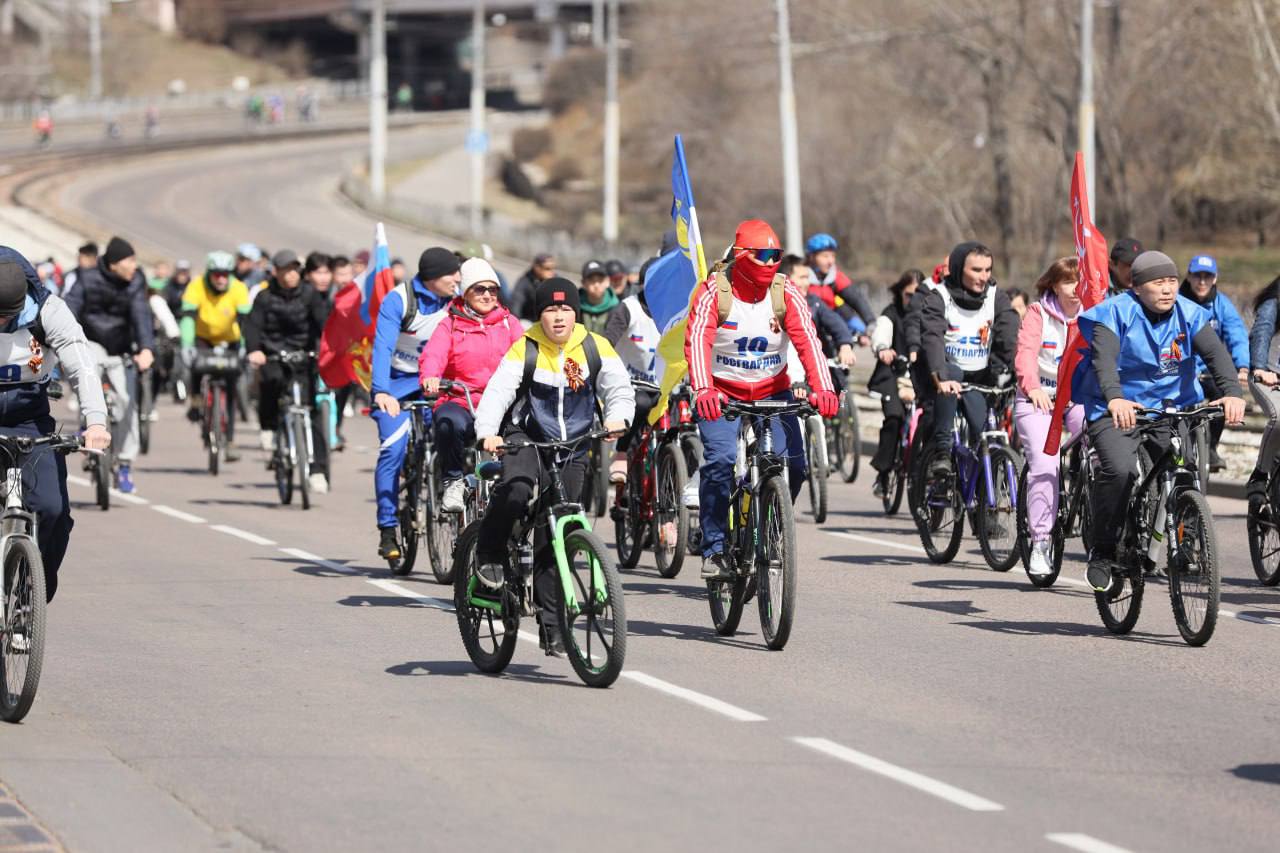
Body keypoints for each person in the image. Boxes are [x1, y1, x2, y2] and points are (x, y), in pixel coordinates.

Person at [473, 277, 634, 655]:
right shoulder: (525, 347)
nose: (558, 317)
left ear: (575, 313)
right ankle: (489, 557)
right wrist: (487, 432)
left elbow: (619, 389)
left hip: (574, 446)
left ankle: (553, 626)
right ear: (540, 314)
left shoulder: (596, 346)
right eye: (550, 309)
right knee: (516, 491)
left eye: (565, 309)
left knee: (556, 532)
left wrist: (617, 418)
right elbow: (498, 392)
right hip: (527, 438)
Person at [1072, 251, 1245, 593]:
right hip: (1116, 407)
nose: (1167, 289)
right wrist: (1115, 397)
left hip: (1170, 407)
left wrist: (1231, 392)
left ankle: (1187, 542)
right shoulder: (1115, 313)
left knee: (1182, 471)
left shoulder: (1190, 313)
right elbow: (1103, 361)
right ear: (1136, 287)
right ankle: (1103, 549)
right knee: (1121, 471)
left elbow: (1216, 355)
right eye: (1156, 282)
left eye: (1170, 281)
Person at [685, 220, 840, 579]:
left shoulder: (786, 294)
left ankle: (771, 520)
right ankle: (715, 546)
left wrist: (824, 388)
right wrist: (703, 388)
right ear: (741, 255)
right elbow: (696, 341)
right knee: (721, 461)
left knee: (797, 467)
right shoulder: (714, 292)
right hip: (721, 394)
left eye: (776, 256)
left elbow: (809, 343)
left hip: (774, 391)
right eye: (763, 255)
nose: (771, 263)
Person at [0, 248, 111, 605]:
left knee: (53, 511)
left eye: (5, 317)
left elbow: (82, 366)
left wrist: (95, 421)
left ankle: (29, 598)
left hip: (30, 419)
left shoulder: (49, 311)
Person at [370, 247, 460, 560]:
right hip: (395, 385)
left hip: (437, 383)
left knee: (459, 437)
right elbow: (381, 347)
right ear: (433, 276)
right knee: (393, 448)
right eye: (452, 273)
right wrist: (381, 391)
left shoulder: (457, 300)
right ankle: (388, 528)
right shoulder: (400, 299)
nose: (458, 279)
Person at [419, 258, 523, 512]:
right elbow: (433, 355)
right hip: (462, 400)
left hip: (503, 402)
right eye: (480, 289)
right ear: (465, 292)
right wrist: (431, 377)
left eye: (493, 289)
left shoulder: (510, 323)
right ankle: (453, 481)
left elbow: (528, 355)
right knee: (447, 423)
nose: (487, 295)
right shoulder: (450, 324)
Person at [917, 241, 1019, 471]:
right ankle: (942, 452)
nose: (983, 277)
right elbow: (932, 337)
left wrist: (1021, 371)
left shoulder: (996, 297)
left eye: (987, 270)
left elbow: (1008, 336)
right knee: (951, 371)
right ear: (957, 268)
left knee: (981, 433)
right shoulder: (939, 296)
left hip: (979, 380)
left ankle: (978, 494)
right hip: (945, 375)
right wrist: (939, 376)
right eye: (976, 270)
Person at [64, 236, 155, 494]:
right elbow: (70, 308)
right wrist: (65, 343)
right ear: (114, 263)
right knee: (90, 371)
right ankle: (88, 423)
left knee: (127, 401)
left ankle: (125, 464)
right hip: (91, 341)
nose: (135, 265)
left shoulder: (136, 281)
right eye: (130, 260)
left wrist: (146, 348)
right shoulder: (87, 278)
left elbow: (141, 314)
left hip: (122, 347)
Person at [1013, 258, 1084, 576]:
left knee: (1106, 449)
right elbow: (1026, 355)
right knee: (1046, 465)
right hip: (1039, 400)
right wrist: (1033, 388)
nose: (1076, 289)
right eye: (1069, 282)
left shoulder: (1094, 314)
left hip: (1077, 399)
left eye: (1080, 281)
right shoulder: (1037, 314)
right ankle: (1040, 541)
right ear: (1054, 285)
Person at [243, 250, 331, 492]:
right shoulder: (264, 297)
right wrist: (254, 350)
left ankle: (317, 470)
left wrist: (327, 348)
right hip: (273, 354)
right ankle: (269, 430)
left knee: (311, 411)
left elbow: (323, 323)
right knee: (270, 384)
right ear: (276, 271)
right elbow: (252, 326)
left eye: (294, 269)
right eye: (286, 269)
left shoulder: (310, 294)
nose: (291, 274)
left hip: (303, 356)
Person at [1179, 254, 1249, 471]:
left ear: (1215, 279)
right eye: (1197, 276)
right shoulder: (1176, 302)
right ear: (1188, 277)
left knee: (1222, 398)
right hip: (1183, 369)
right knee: (1181, 408)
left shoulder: (1222, 305)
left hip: (1209, 370)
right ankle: (1182, 450)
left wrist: (1243, 367)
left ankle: (1211, 448)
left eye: (1207, 277)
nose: (1202, 282)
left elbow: (1236, 335)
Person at [181, 251, 252, 459]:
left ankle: (229, 440)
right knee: (196, 366)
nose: (221, 279)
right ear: (209, 274)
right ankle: (195, 402)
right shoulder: (196, 286)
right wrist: (186, 344)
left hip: (230, 338)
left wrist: (245, 346)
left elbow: (245, 321)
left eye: (225, 274)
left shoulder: (238, 288)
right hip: (203, 336)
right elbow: (187, 317)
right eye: (216, 274)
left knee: (230, 387)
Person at [603, 270, 663, 483]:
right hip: (631, 383)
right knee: (641, 403)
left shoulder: (676, 310)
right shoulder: (628, 309)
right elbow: (606, 343)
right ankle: (620, 451)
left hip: (664, 385)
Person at [868, 270, 921, 495]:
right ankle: (883, 473)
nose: (912, 300)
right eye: (908, 294)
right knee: (894, 418)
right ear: (899, 293)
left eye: (918, 295)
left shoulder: (929, 314)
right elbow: (880, 333)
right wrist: (882, 349)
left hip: (919, 375)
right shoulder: (891, 313)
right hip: (892, 373)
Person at [803, 232, 875, 343]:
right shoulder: (802, 276)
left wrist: (870, 322)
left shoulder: (835, 276)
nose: (830, 261)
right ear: (811, 257)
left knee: (843, 308)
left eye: (833, 256)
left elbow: (856, 298)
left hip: (833, 323)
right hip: (809, 323)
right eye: (825, 256)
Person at [1247, 275, 1280, 512]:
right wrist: (1259, 367)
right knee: (1279, 417)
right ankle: (1259, 475)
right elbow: (1262, 332)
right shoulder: (1273, 304)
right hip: (1268, 373)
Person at [509, 253, 556, 324]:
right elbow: (516, 305)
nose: (551, 272)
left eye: (553, 268)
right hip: (530, 321)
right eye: (547, 268)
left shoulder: (556, 282)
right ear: (537, 267)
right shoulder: (525, 282)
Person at [578, 259, 619, 337]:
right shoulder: (575, 307)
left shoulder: (617, 310)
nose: (596, 285)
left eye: (600, 280)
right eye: (591, 280)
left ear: (607, 282)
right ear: (583, 283)